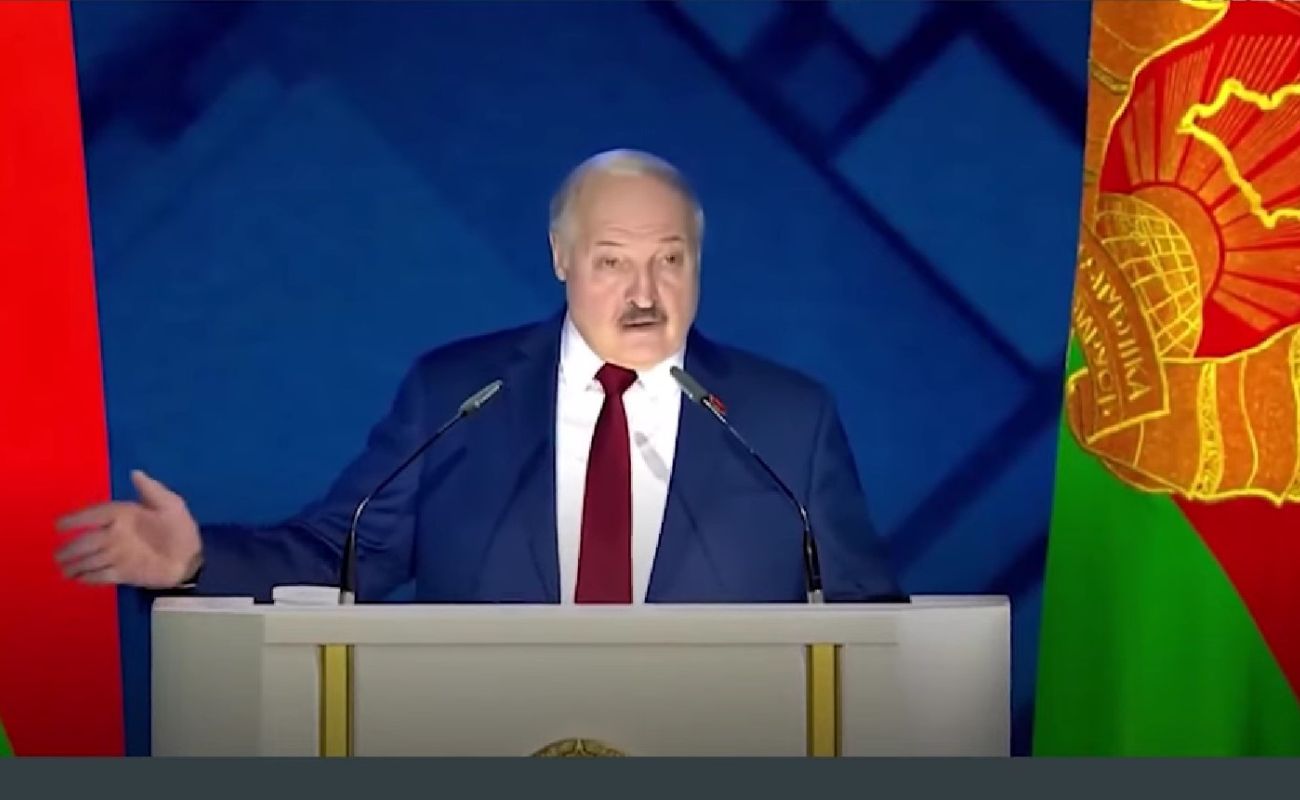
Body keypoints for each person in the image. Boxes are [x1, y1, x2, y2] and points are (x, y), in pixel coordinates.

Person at [54, 149, 901, 604]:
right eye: (613, 261)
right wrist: (199, 558)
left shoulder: (786, 419)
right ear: (561, 257)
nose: (645, 294)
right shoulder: (458, 395)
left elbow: (866, 621)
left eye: (670, 260)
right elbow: (346, 556)